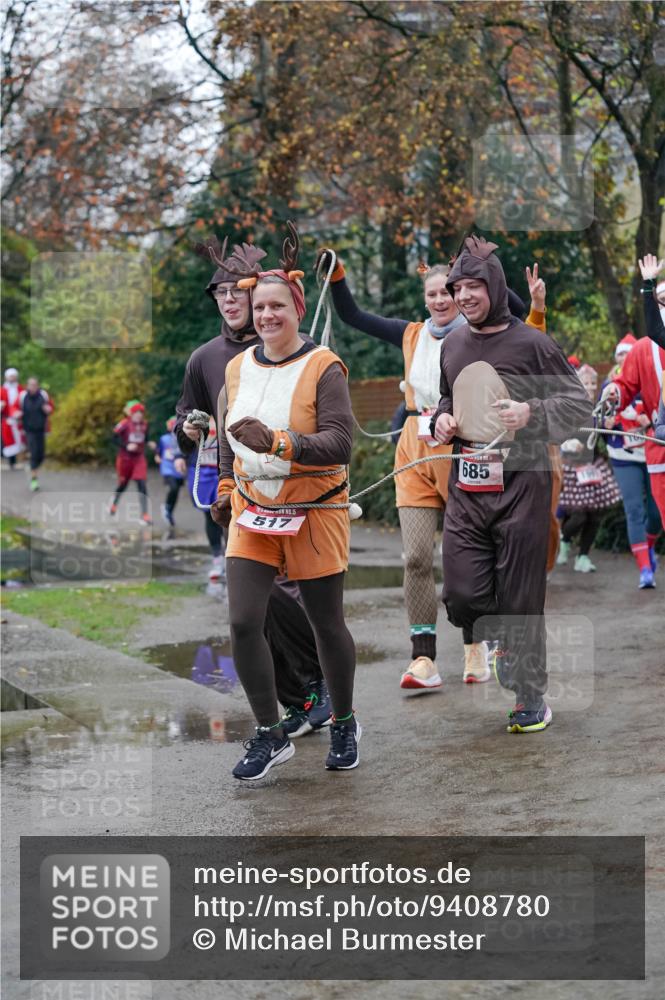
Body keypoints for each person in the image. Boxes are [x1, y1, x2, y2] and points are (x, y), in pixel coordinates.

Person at [321, 250, 548, 690]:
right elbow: (352, 315)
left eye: (451, 291)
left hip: (465, 441)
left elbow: (516, 313)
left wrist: (501, 280)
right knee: (417, 557)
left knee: (474, 552)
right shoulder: (410, 334)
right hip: (414, 444)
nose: (443, 300)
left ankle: (474, 646)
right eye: (434, 293)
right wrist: (337, 275)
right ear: (424, 298)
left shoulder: (479, 332)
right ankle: (423, 658)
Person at [215, 225, 359, 780]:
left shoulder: (325, 366)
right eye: (259, 307)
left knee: (325, 623)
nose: (266, 316)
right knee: (244, 622)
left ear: (297, 307)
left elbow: (340, 444)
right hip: (253, 510)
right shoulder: (237, 367)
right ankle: (270, 732)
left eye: (277, 305)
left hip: (315, 508)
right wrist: (227, 487)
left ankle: (344, 720)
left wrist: (280, 443)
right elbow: (229, 437)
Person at [431, 235, 592, 734]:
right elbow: (445, 399)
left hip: (523, 483)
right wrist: (442, 421)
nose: (463, 297)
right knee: (460, 595)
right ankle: (497, 636)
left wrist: (532, 411)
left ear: (494, 288)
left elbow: (577, 406)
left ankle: (530, 696)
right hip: (467, 484)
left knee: (522, 595)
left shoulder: (532, 343)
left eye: (473, 287)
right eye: (458, 288)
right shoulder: (452, 343)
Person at [175, 235, 331, 738]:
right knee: (253, 610)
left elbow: (326, 421)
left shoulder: (298, 351)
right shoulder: (205, 358)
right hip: (234, 492)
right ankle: (301, 696)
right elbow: (185, 417)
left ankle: (320, 683)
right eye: (219, 294)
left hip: (301, 494)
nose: (228, 301)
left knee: (294, 596)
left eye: (235, 293)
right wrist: (190, 429)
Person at [603, 254, 665, 532]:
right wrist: (613, 393)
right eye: (660, 301)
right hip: (658, 444)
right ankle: (646, 570)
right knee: (654, 516)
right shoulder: (643, 348)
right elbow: (625, 387)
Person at [602, 338, 660, 589]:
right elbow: (605, 417)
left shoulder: (652, 368)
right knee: (634, 510)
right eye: (621, 355)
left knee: (656, 514)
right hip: (623, 454)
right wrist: (610, 417)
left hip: (652, 451)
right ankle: (645, 568)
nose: (625, 359)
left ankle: (648, 546)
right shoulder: (613, 383)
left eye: (628, 354)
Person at [556, 364, 622, 573]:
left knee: (595, 515)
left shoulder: (599, 408)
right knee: (578, 515)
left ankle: (583, 556)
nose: (590, 387)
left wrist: (610, 426)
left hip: (593, 465)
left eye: (593, 383)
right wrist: (567, 444)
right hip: (572, 466)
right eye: (586, 383)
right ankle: (564, 542)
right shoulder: (567, 407)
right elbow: (555, 434)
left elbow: (607, 439)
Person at [176, 416, 226, 581]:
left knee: (229, 515)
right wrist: (179, 457)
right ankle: (217, 558)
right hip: (201, 471)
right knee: (209, 514)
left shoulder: (228, 407)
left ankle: (232, 558)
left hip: (224, 471)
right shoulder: (195, 411)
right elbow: (181, 434)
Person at [109, 402, 156, 524]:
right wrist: (126, 446)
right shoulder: (124, 424)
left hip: (139, 458)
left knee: (142, 484)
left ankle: (144, 515)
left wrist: (149, 443)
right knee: (123, 484)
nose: (139, 415)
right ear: (132, 413)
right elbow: (113, 438)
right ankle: (114, 503)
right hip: (125, 459)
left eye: (141, 413)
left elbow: (144, 439)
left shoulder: (145, 425)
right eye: (136, 413)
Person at [19, 377, 53, 491]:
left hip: (41, 430)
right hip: (28, 430)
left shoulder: (43, 395)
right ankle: (34, 480)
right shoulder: (23, 396)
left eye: (35, 385)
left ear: (38, 386)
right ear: (27, 386)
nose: (32, 387)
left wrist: (48, 409)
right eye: (30, 385)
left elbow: (51, 407)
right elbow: (14, 407)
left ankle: (32, 468)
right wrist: (16, 413)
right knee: (34, 454)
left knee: (41, 455)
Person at [155, 416, 185, 539]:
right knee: (173, 488)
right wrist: (157, 457)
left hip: (179, 470)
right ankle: (166, 507)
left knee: (176, 491)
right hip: (167, 469)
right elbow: (158, 452)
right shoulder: (164, 439)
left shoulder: (182, 439)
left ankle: (169, 512)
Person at [1, 368, 25, 468]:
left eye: (13, 376)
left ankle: (16, 460)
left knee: (19, 439)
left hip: (18, 419)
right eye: (10, 376)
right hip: (6, 419)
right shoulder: (2, 390)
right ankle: (10, 461)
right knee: (7, 439)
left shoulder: (21, 389)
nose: (12, 378)